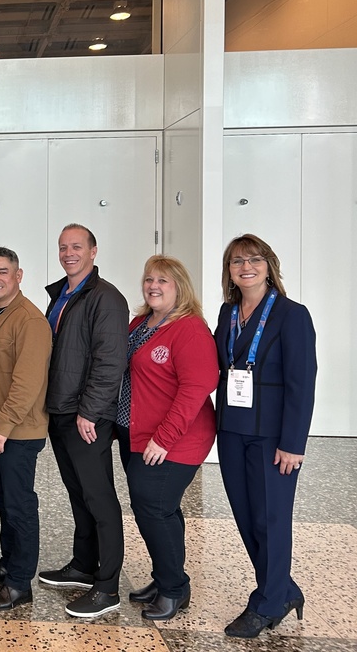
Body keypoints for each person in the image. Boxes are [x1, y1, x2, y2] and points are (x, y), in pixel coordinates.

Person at [215, 235, 316, 638]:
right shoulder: (227, 313)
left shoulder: (292, 315)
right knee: (246, 517)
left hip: (273, 437)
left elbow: (302, 383)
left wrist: (293, 443)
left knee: (271, 519)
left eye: (254, 259)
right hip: (232, 430)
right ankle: (284, 588)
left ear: (269, 265)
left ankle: (270, 602)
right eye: (237, 261)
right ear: (230, 271)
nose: (246, 267)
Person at [115, 255, 217, 621]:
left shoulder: (189, 327)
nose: (153, 286)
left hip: (175, 438)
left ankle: (174, 590)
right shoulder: (141, 322)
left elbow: (198, 387)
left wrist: (165, 438)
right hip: (138, 432)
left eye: (163, 281)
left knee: (154, 508)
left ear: (180, 287)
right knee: (157, 509)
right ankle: (164, 578)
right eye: (149, 279)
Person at [38, 224, 129, 619]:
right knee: (78, 494)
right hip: (60, 411)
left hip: (85, 416)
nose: (69, 253)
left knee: (100, 498)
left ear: (94, 250)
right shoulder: (61, 295)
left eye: (77, 246)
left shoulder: (106, 298)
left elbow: (110, 361)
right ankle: (84, 565)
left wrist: (90, 411)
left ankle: (106, 586)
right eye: (63, 247)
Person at [0, 247, 52, 611]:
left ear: (19, 275)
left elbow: (27, 381)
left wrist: (2, 426)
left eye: (3, 271)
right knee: (3, 501)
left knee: (19, 505)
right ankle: (8, 564)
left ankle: (20, 584)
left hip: (16, 431)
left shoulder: (28, 320)